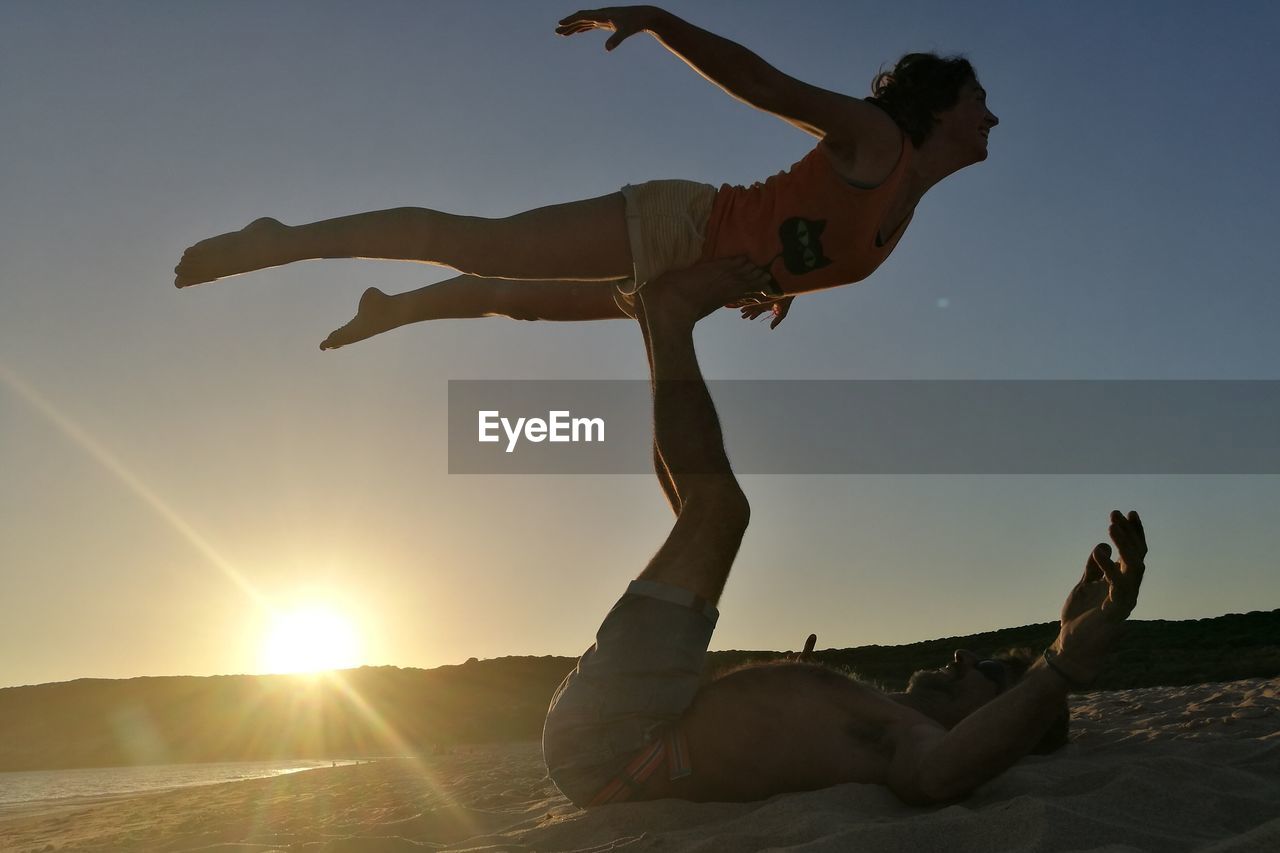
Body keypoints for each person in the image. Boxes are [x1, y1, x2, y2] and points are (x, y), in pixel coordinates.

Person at [542, 258, 1148, 806]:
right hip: (629, 727)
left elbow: (941, 775)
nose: (965, 657)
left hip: (616, 743)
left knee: (717, 510)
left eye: (988, 673)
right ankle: (656, 317)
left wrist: (1062, 665)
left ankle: (664, 314)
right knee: (701, 512)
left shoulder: (911, 737)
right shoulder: (883, 711)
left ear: (997, 717)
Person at [172, 6, 999, 346]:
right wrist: (659, 20)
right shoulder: (878, 139)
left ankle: (393, 308)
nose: (992, 116)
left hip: (692, 279)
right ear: (940, 106)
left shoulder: (905, 196)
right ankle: (283, 241)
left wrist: (781, 277)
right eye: (980, 99)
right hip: (683, 231)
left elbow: (810, 227)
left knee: (504, 294)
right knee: (482, 247)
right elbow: (768, 86)